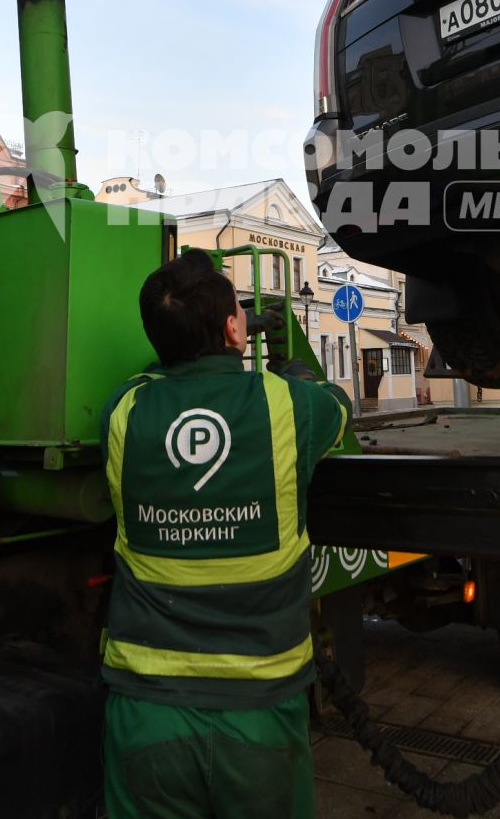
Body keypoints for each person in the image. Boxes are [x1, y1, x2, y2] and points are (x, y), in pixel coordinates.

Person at [101, 248, 352, 819]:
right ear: (235, 328)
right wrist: (298, 372)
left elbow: (157, 373)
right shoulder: (286, 404)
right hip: (258, 707)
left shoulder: (123, 410)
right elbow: (338, 408)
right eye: (239, 307)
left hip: (145, 707)